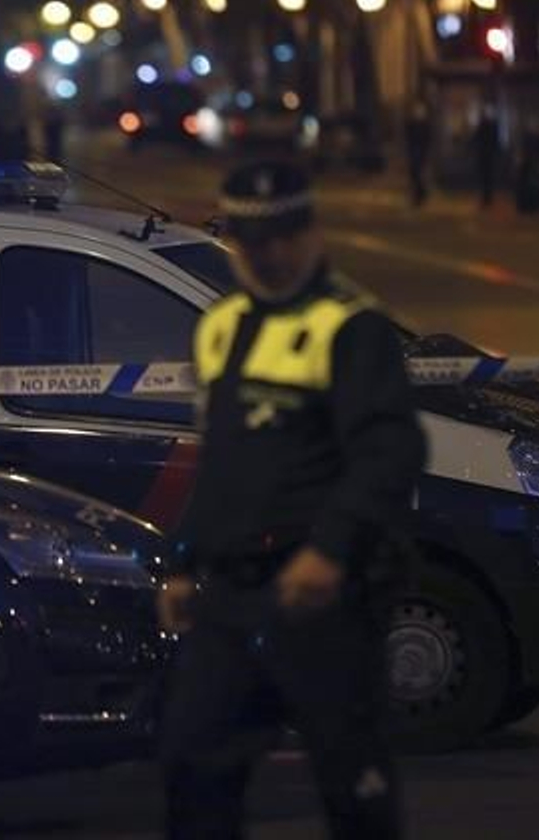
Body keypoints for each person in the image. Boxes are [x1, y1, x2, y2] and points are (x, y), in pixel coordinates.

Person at [158, 159, 425, 840]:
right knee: (194, 763)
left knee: (352, 784)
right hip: (231, 595)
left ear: (310, 231)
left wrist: (330, 553)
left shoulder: (352, 328)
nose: (269, 253)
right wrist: (185, 560)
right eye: (252, 238)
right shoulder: (221, 327)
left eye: (282, 235)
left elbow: (387, 455)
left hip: (323, 599)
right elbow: (220, 463)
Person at [402, 97, 433, 207]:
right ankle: (418, 196)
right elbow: (407, 139)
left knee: (420, 175)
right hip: (415, 154)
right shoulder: (411, 124)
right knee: (415, 175)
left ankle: (420, 196)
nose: (418, 113)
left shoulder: (424, 125)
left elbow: (428, 140)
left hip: (421, 154)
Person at [474, 104, 501, 208]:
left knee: (485, 177)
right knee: (488, 177)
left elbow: (477, 138)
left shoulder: (484, 125)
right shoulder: (493, 126)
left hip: (484, 155)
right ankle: (487, 198)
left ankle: (486, 198)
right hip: (488, 155)